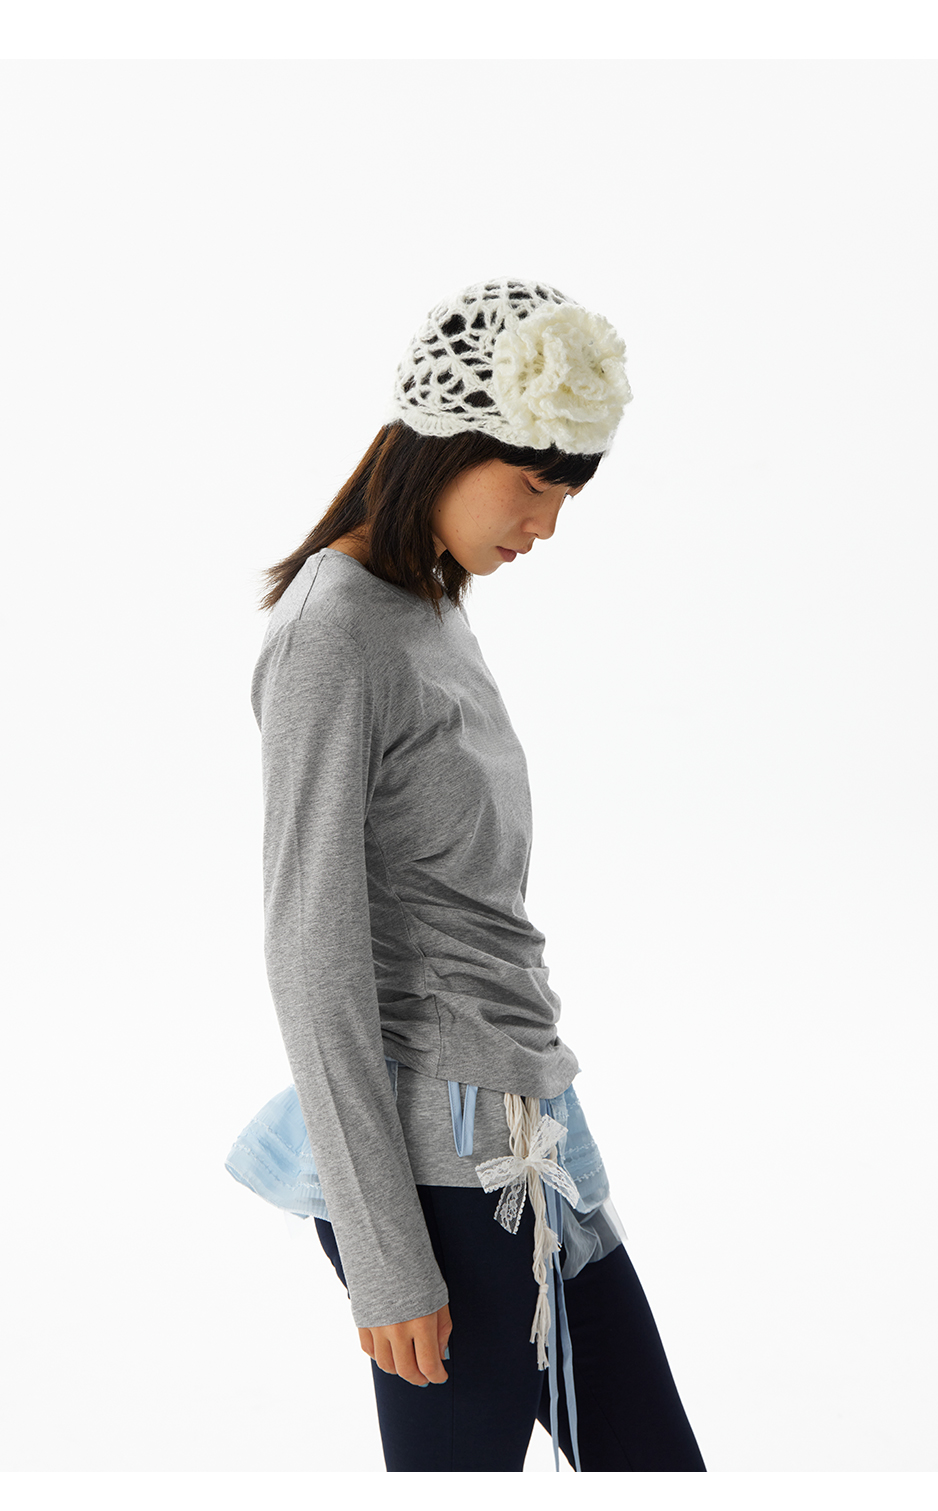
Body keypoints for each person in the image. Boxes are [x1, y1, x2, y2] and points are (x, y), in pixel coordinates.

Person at [248, 277, 707, 1472]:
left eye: (564, 497)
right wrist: (384, 1255)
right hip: (442, 1172)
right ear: (446, 445)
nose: (544, 526)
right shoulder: (331, 629)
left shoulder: (425, 607)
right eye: (532, 486)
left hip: (527, 1133)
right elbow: (311, 954)